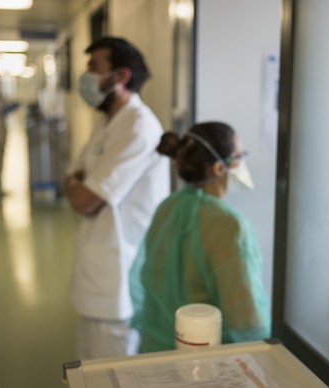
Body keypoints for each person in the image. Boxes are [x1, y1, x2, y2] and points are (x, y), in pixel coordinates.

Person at [63, 37, 170, 359]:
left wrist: (79, 187)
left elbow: (83, 200)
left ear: (120, 76)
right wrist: (78, 186)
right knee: (87, 370)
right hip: (97, 264)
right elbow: (72, 177)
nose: (87, 76)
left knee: (113, 372)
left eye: (94, 67)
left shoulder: (138, 128)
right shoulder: (108, 121)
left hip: (120, 275)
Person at [129, 121, 270, 353]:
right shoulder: (229, 226)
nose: (242, 162)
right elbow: (246, 321)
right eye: (239, 156)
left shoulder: (167, 207)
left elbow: (143, 283)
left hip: (154, 353)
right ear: (218, 168)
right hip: (203, 363)